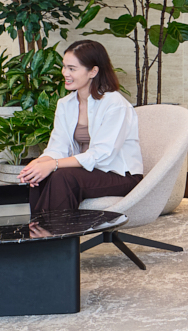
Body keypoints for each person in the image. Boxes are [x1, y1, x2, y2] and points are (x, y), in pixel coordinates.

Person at [18, 41, 144, 222]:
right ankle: (34, 236)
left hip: (119, 175)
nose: (65, 74)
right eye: (64, 67)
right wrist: (40, 163)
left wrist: (53, 165)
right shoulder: (65, 104)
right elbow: (57, 147)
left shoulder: (114, 104)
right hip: (86, 173)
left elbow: (103, 154)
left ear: (93, 71)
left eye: (72, 68)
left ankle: (56, 242)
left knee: (63, 177)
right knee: (37, 177)